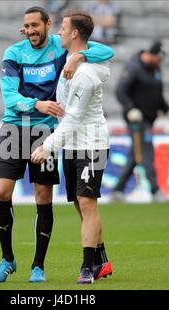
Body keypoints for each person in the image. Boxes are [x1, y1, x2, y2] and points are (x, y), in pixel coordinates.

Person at [0, 6, 114, 284]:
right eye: (27, 26)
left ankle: (38, 265)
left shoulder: (60, 51)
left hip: (46, 131)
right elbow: (10, 97)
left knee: (44, 197)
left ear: (48, 25)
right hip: (14, 127)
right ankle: (7, 258)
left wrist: (79, 55)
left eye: (36, 25)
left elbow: (107, 52)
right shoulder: (13, 53)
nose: (31, 30)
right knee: (2, 191)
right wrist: (38, 104)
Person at [31, 10, 112, 284]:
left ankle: (88, 267)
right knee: (80, 203)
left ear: (75, 33)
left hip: (90, 144)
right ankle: (102, 258)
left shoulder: (86, 74)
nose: (59, 32)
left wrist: (48, 146)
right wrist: (78, 54)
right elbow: (100, 49)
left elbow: (74, 117)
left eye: (63, 28)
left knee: (88, 204)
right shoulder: (70, 56)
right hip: (73, 145)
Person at [111, 41, 169, 203]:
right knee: (147, 151)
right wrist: (130, 108)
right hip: (137, 120)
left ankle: (117, 190)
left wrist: (167, 110)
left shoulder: (155, 70)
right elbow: (120, 91)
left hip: (149, 119)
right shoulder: (133, 68)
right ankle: (155, 191)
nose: (160, 62)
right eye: (158, 58)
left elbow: (158, 94)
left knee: (135, 155)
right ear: (151, 55)